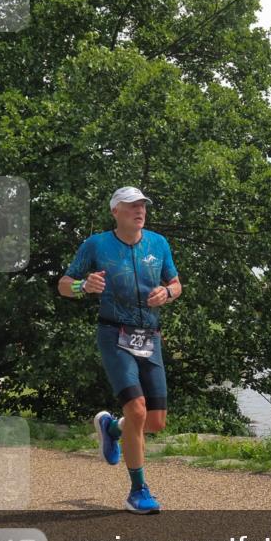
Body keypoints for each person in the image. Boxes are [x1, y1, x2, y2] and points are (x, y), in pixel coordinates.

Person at [58, 187, 182, 514]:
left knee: (154, 422)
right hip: (115, 334)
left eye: (142, 205)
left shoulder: (159, 244)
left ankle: (111, 428)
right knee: (137, 411)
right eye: (131, 206)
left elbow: (177, 284)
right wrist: (83, 286)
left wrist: (167, 293)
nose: (139, 210)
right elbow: (63, 284)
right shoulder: (96, 245)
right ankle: (138, 491)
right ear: (115, 211)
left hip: (149, 337)